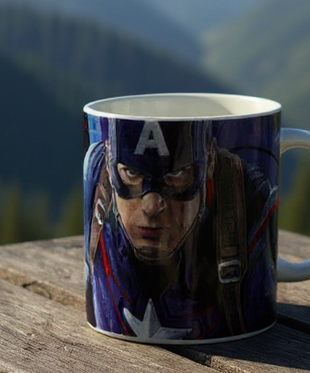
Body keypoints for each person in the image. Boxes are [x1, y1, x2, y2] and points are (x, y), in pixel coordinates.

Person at [84, 117, 277, 341]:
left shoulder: (247, 200)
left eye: (175, 175)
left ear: (210, 162)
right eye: (131, 173)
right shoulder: (95, 171)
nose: (151, 206)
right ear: (109, 166)